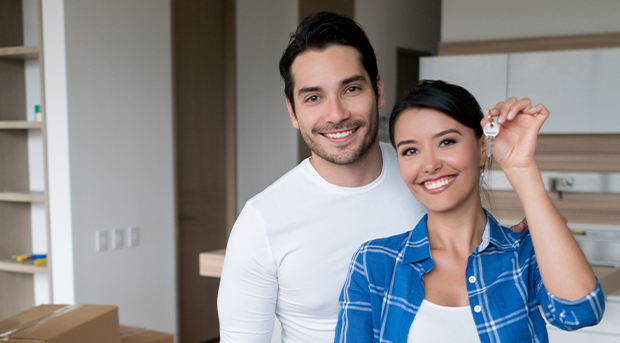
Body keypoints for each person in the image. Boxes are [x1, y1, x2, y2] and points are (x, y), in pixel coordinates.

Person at [218, 12, 529, 342]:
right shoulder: (262, 221)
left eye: (351, 88)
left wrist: (509, 244)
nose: (336, 114)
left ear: (378, 90)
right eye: (313, 97)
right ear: (293, 112)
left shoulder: (427, 174)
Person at [334, 80, 604, 343]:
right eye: (411, 150)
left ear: (482, 147)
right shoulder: (375, 263)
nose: (429, 164)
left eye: (447, 142)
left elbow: (580, 312)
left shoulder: (525, 254)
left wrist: (521, 168)